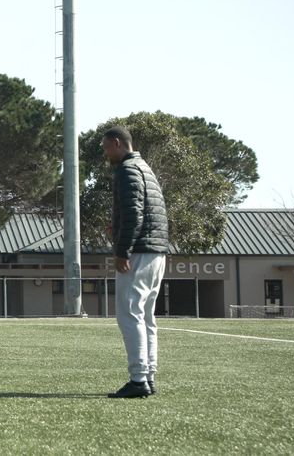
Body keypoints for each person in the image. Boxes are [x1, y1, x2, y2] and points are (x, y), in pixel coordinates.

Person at [101, 126, 169, 399]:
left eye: (106, 148)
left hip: (139, 252)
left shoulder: (127, 171)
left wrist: (122, 250)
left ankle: (138, 379)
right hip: (156, 251)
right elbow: (146, 211)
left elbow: (134, 213)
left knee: (129, 315)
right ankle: (148, 376)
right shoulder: (145, 168)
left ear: (117, 143)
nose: (106, 154)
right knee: (146, 317)